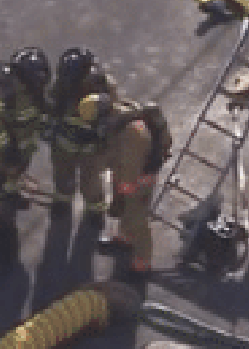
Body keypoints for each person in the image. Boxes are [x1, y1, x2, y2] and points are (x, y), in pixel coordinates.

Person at [81, 93, 173, 274]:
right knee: (126, 215)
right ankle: (124, 239)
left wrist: (122, 195)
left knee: (136, 221)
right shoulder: (119, 117)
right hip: (125, 174)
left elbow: (132, 168)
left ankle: (141, 265)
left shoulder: (133, 133)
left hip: (139, 181)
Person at [47, 47, 117, 220]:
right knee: (62, 176)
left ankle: (95, 211)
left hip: (92, 146)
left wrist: (101, 133)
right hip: (65, 141)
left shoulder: (104, 88)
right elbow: (50, 109)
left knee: (91, 182)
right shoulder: (60, 86)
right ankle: (63, 201)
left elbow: (113, 115)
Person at [0, 48, 49, 197]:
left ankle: (10, 191)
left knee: (15, 172)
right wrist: (7, 147)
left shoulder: (32, 88)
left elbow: (38, 111)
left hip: (24, 142)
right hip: (3, 144)